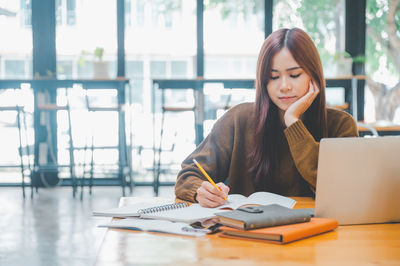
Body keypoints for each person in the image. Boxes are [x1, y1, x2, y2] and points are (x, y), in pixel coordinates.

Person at [175, 28, 359, 207]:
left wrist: (293, 122)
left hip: (317, 232)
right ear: (263, 81)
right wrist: (201, 191)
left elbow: (341, 191)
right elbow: (189, 174)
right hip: (246, 233)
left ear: (314, 77)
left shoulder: (341, 125)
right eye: (273, 77)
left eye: (294, 75)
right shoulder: (238, 119)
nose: (284, 86)